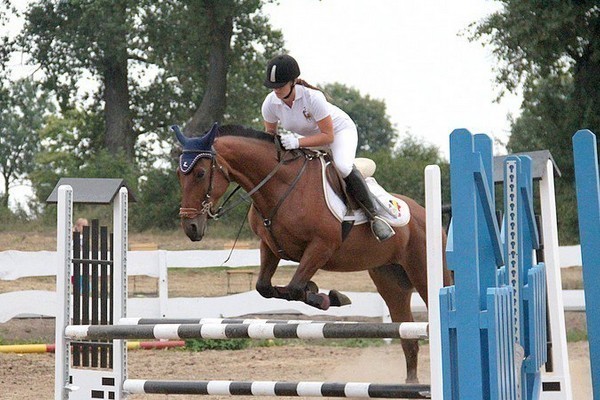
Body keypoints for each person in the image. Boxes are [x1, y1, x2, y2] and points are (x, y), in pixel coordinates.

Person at [261, 54, 395, 242]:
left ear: (293, 82)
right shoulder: (270, 104)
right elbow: (270, 137)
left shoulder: (313, 98)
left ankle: (375, 216)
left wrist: (297, 143)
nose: (276, 90)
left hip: (338, 133)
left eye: (280, 85)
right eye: (273, 86)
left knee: (342, 166)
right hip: (307, 138)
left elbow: (328, 136)